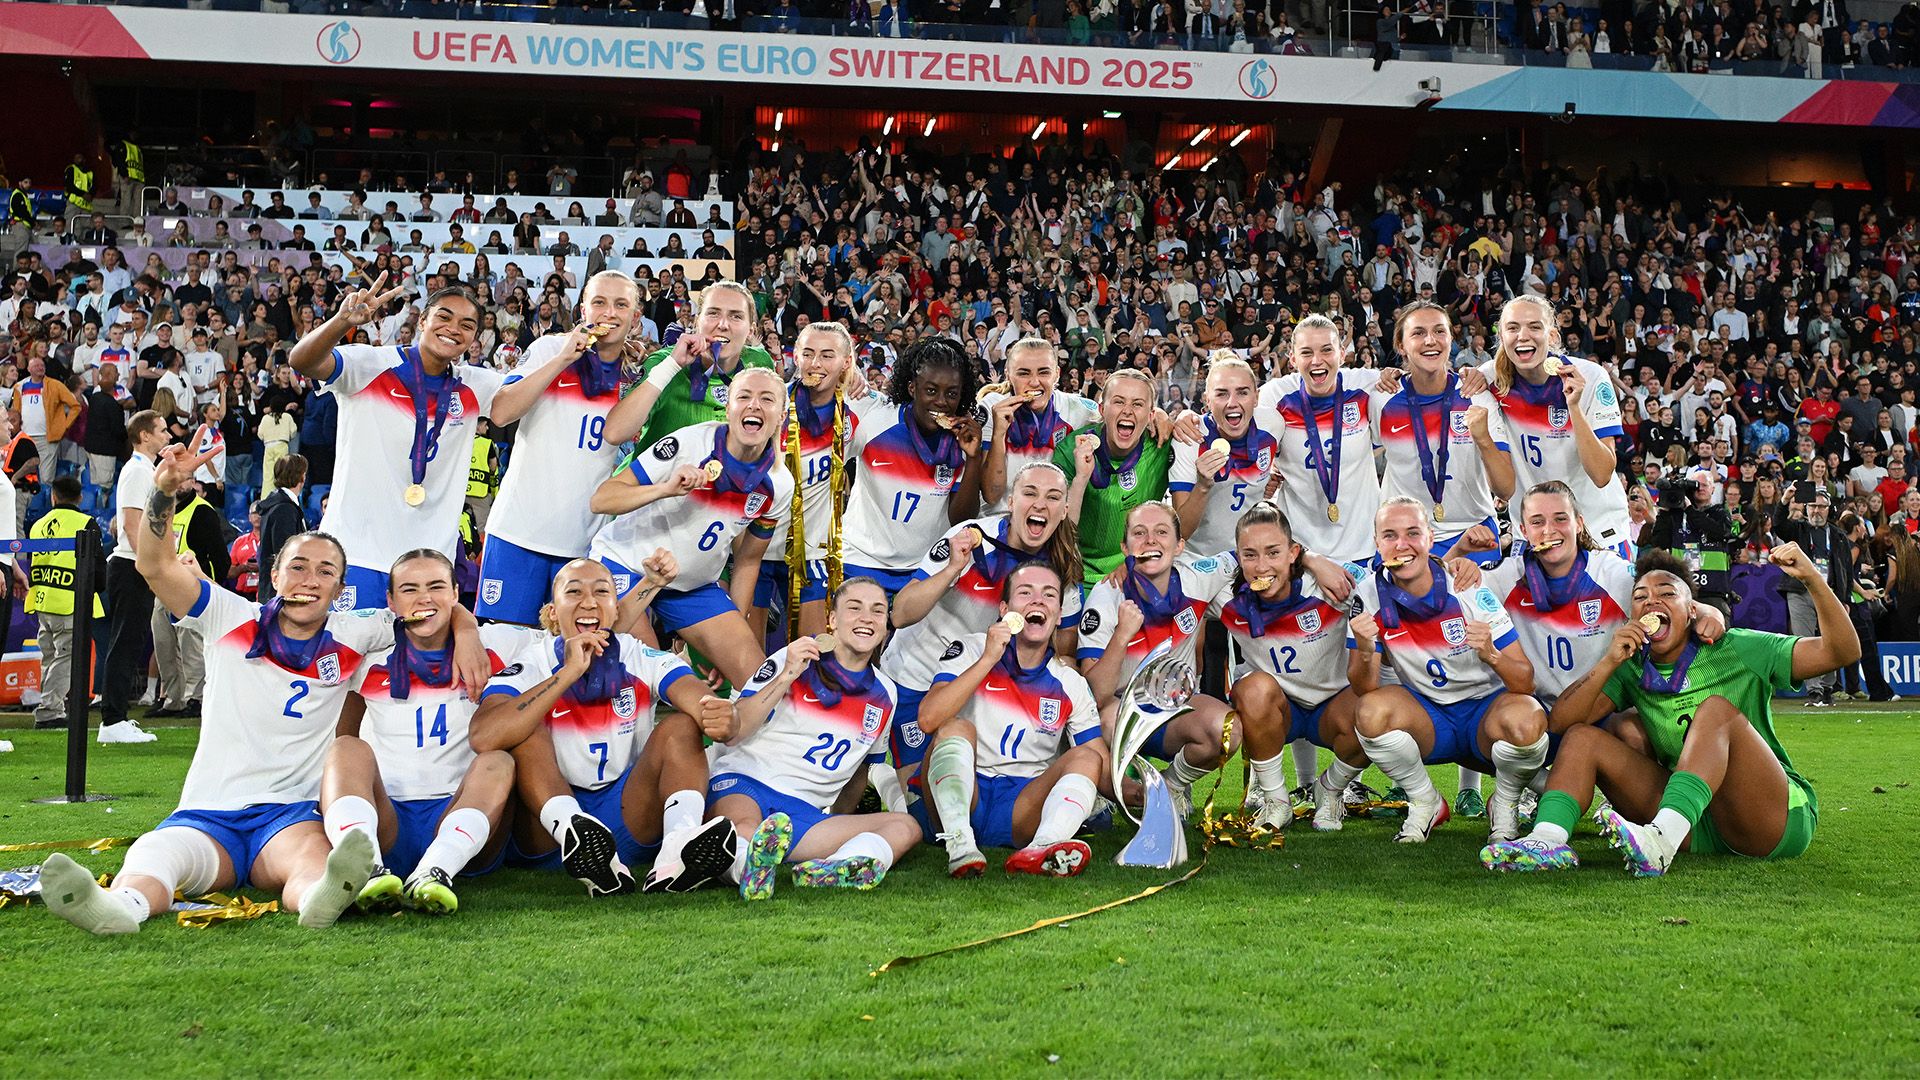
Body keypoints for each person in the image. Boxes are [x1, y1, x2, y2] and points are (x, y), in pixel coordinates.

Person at [39, 436, 484, 936]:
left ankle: (322, 899)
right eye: (298, 567)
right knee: (157, 852)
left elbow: (424, 603)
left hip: (291, 815)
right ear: (273, 575)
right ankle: (121, 908)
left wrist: (466, 628)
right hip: (210, 811)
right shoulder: (229, 615)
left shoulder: (357, 631)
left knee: (315, 861)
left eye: (325, 572)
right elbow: (154, 566)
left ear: (340, 591)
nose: (310, 580)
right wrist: (163, 491)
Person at [1486, 547, 1858, 874]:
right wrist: (1609, 662)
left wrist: (1812, 579)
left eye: (1667, 593)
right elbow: (1561, 723)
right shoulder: (1632, 665)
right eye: (1641, 596)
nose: (1652, 602)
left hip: (1771, 820)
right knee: (1586, 737)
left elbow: (1841, 652)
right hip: (1698, 824)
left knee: (1714, 711)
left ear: (1691, 609)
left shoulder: (1737, 647)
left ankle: (1660, 841)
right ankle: (1546, 841)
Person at [470, 558, 740, 896]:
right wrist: (567, 673)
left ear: (615, 612)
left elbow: (701, 703)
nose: (588, 602)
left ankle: (676, 849)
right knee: (522, 729)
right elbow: (484, 735)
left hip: (628, 815)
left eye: (601, 592)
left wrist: (723, 717)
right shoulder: (531, 661)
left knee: (682, 726)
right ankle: (575, 832)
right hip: (546, 832)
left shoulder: (640, 656)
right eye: (574, 592)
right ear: (553, 613)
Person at [288, 275, 532, 610]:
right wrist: (340, 322)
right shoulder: (369, 364)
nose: (453, 329)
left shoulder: (476, 384)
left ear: (475, 337)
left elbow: (526, 397)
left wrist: (570, 354)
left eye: (467, 324)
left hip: (428, 566)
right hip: (357, 553)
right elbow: (301, 361)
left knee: (420, 663)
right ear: (422, 321)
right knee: (348, 659)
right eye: (444, 317)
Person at [319, 549, 528, 915]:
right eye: (409, 589)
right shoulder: (368, 656)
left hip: (465, 814)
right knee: (345, 748)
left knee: (498, 760)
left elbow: (563, 643)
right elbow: (343, 730)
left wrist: (467, 630)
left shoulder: (498, 646)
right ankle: (366, 866)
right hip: (388, 822)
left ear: (455, 593)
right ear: (391, 601)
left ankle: (437, 871)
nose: (424, 598)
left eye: (435, 586)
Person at [1348, 497, 1547, 844]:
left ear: (1430, 537)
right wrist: (1366, 650)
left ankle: (1504, 803)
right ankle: (1425, 801)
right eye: (1390, 535)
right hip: (1430, 717)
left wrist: (1491, 654)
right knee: (1370, 711)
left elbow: (1525, 681)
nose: (1401, 545)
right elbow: (1364, 687)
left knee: (1528, 719)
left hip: (1485, 715)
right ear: (1377, 544)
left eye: (1413, 533)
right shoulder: (1367, 595)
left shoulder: (1468, 585)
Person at [877, 462, 1082, 800]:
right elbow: (899, 614)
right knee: (920, 807)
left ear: (1064, 510)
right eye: (1030, 493)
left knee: (969, 801)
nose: (1040, 504)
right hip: (920, 676)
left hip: (986, 690)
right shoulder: (971, 538)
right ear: (1012, 502)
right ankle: (883, 779)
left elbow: (1065, 653)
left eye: (1053, 497)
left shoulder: (1062, 567)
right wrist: (952, 571)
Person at [709, 578, 921, 898]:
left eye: (878, 611)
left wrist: (838, 824)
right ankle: (747, 870)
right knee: (745, 827)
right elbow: (738, 729)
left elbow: (861, 772)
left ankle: (834, 867)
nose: (867, 618)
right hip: (746, 783)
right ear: (832, 620)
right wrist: (788, 675)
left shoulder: (886, 694)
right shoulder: (792, 657)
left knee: (906, 828)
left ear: (886, 626)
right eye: (855, 608)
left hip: (803, 815)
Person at [588, 367, 791, 688]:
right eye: (744, 397)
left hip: (693, 586)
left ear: (781, 414)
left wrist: (726, 636)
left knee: (761, 686)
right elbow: (601, 499)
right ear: (729, 409)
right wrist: (666, 488)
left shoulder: (779, 485)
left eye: (767, 399)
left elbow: (749, 561)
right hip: (627, 565)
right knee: (647, 675)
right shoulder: (689, 443)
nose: (754, 405)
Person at [913, 563, 1107, 877]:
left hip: (1022, 806)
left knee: (1086, 756)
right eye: (1025, 593)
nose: (1037, 601)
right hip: (965, 792)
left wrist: (1135, 793)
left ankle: (1043, 846)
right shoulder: (970, 648)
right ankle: (960, 844)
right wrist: (989, 658)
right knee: (955, 727)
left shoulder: (1069, 682)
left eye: (1048, 595)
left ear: (1058, 615)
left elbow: (1097, 754)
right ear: (1005, 609)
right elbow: (928, 718)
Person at [1078, 503, 1261, 821]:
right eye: (1139, 533)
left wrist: (1312, 560)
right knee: (1101, 719)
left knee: (1225, 728)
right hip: (1121, 713)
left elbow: (1253, 549)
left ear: (1179, 545)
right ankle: (1112, 789)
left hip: (1175, 711)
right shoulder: (1107, 597)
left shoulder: (1199, 577)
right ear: (1125, 547)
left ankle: (1171, 786)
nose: (1150, 541)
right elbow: (1093, 695)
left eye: (1161, 532)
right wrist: (1122, 636)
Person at [475, 272, 638, 626]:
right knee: (505, 651)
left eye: (620, 304)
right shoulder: (550, 348)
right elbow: (501, 413)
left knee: (572, 658)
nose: (608, 312)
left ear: (635, 318)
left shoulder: (635, 376)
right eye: (599, 302)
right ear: (583, 310)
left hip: (583, 545)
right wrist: (563, 358)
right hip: (518, 533)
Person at [1212, 502, 1371, 831]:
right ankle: (1276, 800)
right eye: (1249, 555)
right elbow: (1168, 575)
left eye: (1273, 553)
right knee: (1252, 688)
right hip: (1277, 710)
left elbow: (1392, 579)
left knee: (1378, 711)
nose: (1260, 567)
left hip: (1333, 707)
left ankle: (1330, 790)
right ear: (1237, 557)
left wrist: (1454, 562)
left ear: (1293, 552)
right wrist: (1128, 566)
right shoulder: (1225, 594)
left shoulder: (1331, 584)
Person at [1482, 296, 1634, 557]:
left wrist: (1573, 407)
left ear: (1552, 335)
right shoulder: (1488, 379)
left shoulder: (1590, 376)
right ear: (1502, 336)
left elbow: (1601, 474)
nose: (1523, 336)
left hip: (1597, 527)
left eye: (1534, 326)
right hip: (1535, 535)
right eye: (1513, 328)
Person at [839, 338, 986, 595]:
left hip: (923, 570)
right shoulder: (875, 418)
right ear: (911, 387)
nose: (941, 401)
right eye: (931, 390)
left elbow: (961, 518)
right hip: (860, 560)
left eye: (951, 394)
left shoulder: (960, 439)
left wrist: (973, 459)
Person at [748, 321, 861, 643]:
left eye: (827, 355)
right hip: (756, 551)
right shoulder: (772, 405)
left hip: (812, 553)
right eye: (808, 353)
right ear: (795, 357)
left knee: (814, 654)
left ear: (846, 362)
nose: (815, 364)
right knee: (750, 662)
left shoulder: (855, 415)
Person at [611, 281, 776, 452]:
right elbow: (615, 434)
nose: (723, 324)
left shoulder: (759, 364)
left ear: (751, 330)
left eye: (736, 316)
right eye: (713, 313)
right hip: (654, 477)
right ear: (697, 322)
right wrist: (672, 366)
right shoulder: (664, 362)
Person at [1057, 369, 1174, 584]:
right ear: (1102, 409)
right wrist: (1081, 480)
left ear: (1150, 415)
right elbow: (1059, 531)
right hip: (1076, 572)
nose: (1128, 411)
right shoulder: (1069, 451)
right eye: (1119, 402)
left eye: (1137, 404)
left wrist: (1186, 416)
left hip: (1139, 568)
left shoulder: (1162, 444)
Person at [98, 409, 169, 744]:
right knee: (125, 642)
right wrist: (149, 564)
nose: (167, 436)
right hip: (131, 564)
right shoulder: (137, 471)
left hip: (134, 563)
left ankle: (115, 718)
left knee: (129, 641)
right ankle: (112, 721)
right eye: (162, 430)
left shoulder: (145, 470)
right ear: (145, 436)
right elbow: (130, 523)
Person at [977, 338, 1098, 514]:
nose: (1034, 382)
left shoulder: (1077, 409)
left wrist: (1152, 415)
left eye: (1043, 372)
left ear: (1056, 374)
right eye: (1024, 373)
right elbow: (992, 495)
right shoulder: (992, 408)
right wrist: (998, 435)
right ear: (1008, 375)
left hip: (1051, 523)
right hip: (999, 520)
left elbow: (1115, 411)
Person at [148, 471, 230, 719]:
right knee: (164, 645)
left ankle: (196, 697)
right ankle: (173, 698)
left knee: (190, 646)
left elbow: (218, 555)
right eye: (178, 479)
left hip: (190, 587)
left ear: (194, 482)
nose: (182, 484)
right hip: (162, 586)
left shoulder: (202, 511)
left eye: (186, 479)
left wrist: (210, 584)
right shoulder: (164, 508)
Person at [23, 476, 102, 731]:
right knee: (66, 659)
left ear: (53, 496)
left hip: (43, 600)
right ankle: (48, 711)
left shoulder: (37, 525)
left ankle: (53, 707)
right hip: (71, 601)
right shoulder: (85, 523)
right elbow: (97, 567)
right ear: (80, 497)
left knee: (50, 657)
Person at [1772, 488, 1853, 706]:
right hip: (1800, 591)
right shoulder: (1798, 529)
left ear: (1829, 510)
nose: (1817, 511)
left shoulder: (1838, 535)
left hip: (1829, 593)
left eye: (1821, 507)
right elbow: (1778, 525)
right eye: (1813, 506)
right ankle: (1815, 691)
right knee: (1805, 640)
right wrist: (1786, 499)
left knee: (1831, 639)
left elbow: (1846, 568)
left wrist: (1845, 599)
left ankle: (1828, 687)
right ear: (1806, 509)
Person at [256, 454, 309, 602]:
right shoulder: (284, 509)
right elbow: (286, 554)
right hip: (282, 593)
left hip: (278, 588)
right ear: (302, 477)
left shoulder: (280, 505)